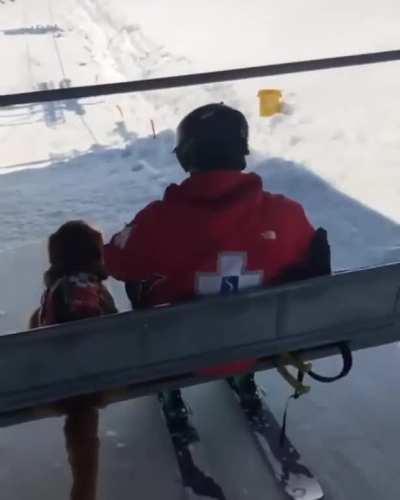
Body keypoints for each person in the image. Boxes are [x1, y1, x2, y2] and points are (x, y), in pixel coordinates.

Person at [104, 103, 330, 410]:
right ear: (241, 149)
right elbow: (311, 268)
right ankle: (241, 375)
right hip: (258, 344)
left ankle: (169, 391)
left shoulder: (157, 221)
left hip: (181, 351)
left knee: (139, 282)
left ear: (186, 157)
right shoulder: (286, 214)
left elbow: (117, 263)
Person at [30, 220, 117, 500]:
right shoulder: (96, 290)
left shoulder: (56, 290)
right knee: (83, 410)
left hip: (60, 388)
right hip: (104, 382)